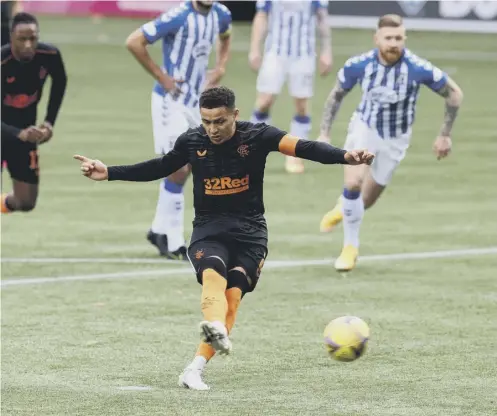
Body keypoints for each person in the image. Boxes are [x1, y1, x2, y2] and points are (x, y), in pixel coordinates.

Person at [73, 86, 374, 390]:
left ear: (235, 115)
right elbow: (161, 167)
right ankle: (214, 327)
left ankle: (194, 368)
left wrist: (346, 156)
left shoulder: (259, 136)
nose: (212, 129)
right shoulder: (192, 140)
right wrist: (108, 171)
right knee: (213, 274)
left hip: (251, 233)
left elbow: (304, 147)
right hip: (209, 228)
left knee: (233, 296)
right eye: (207, 121)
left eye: (219, 121)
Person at [317, 14, 463, 272]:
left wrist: (444, 134)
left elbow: (454, 93)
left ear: (404, 39)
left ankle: (343, 209)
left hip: (396, 138)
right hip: (365, 127)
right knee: (353, 182)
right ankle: (350, 248)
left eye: (398, 38)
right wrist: (325, 133)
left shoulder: (418, 68)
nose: (393, 43)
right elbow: (336, 96)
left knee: (367, 200)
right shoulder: (359, 65)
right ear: (377, 39)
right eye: (388, 38)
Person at [125, 0, 232, 259]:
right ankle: (175, 243)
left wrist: (220, 67)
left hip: (196, 102)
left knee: (191, 166)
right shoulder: (179, 16)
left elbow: (225, 37)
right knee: (180, 166)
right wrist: (162, 77)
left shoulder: (221, 14)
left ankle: (158, 230)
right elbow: (134, 41)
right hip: (170, 102)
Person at [248, 0, 332, 174]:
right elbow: (261, 16)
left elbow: (322, 17)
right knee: (264, 101)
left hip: (304, 54)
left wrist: (326, 50)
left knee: (301, 105)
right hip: (275, 53)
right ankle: (252, 149)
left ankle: (295, 154)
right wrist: (255, 48)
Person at [1, 12, 68, 214]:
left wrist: (48, 123)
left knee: (26, 202)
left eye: (33, 38)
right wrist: (16, 133)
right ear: (11, 38)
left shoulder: (49, 56)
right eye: (22, 39)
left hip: (25, 134)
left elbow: (60, 81)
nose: (29, 44)